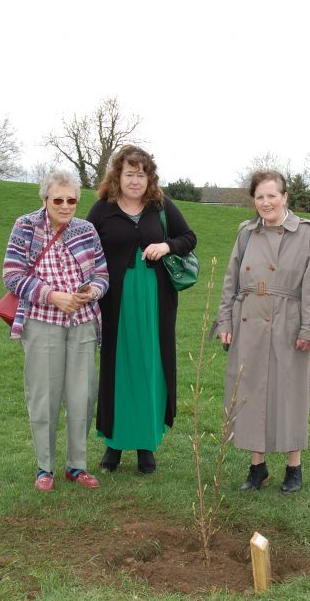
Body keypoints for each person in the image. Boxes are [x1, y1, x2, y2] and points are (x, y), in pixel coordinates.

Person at [213, 170, 310, 494]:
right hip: (248, 321)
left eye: (272, 195)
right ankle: (257, 466)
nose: (266, 202)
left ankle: (294, 466)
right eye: (260, 197)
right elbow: (230, 281)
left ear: (285, 197)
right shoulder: (246, 233)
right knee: (249, 392)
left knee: (290, 394)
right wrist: (224, 322)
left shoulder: (306, 233)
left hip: (289, 323)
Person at [86, 145, 197, 474]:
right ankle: (114, 445)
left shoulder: (160, 206)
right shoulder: (102, 210)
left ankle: (147, 445)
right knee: (118, 369)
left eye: (142, 174)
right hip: (115, 304)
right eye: (129, 173)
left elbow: (188, 237)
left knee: (151, 366)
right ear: (117, 176)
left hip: (155, 303)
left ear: (150, 178)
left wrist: (167, 245)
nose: (136, 180)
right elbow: (82, 247)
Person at [2, 169, 109, 492]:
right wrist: (52, 296)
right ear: (45, 199)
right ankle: (44, 468)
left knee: (82, 395)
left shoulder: (86, 230)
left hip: (82, 322)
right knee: (44, 396)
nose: (65, 206)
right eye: (58, 199)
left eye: (71, 200)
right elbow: (11, 275)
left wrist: (92, 292)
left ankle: (77, 466)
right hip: (41, 321)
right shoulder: (26, 226)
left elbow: (103, 273)